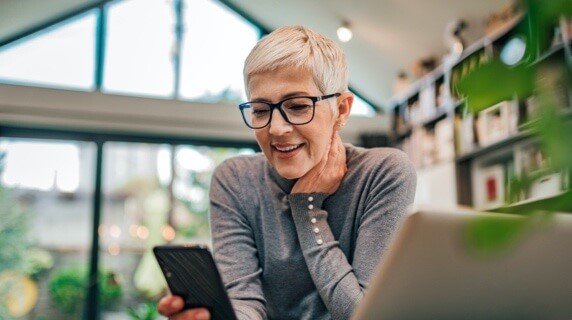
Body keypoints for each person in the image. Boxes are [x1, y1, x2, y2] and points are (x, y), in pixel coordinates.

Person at [158, 25, 416, 320]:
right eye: (260, 110)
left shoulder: (383, 173)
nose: (276, 129)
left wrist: (306, 209)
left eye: (297, 106)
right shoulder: (235, 181)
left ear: (342, 110)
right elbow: (245, 302)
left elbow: (362, 314)